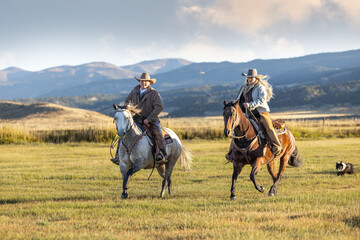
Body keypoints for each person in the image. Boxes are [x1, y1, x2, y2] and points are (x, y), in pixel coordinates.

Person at [111, 72, 167, 164]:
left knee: (157, 133)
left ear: (149, 82)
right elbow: (127, 101)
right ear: (139, 82)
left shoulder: (154, 93)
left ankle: (161, 154)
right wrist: (127, 107)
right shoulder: (134, 91)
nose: (143, 83)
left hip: (151, 120)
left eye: (146, 81)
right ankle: (118, 156)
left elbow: (159, 107)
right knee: (123, 133)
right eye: (142, 81)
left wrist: (148, 119)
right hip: (136, 119)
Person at [235, 68, 282, 156]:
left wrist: (250, 105)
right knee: (237, 129)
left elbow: (261, 100)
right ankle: (231, 152)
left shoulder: (260, 87)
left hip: (261, 113)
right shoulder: (244, 87)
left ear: (256, 78)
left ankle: (277, 146)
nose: (249, 79)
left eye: (251, 77)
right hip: (248, 114)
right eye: (248, 77)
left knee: (268, 127)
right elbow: (240, 99)